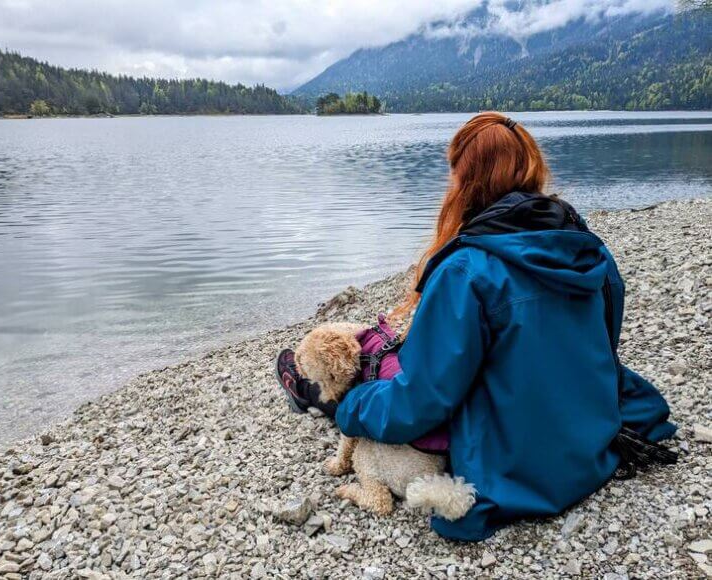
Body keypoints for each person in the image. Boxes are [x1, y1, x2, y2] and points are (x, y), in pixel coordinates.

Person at [275, 112, 676, 541]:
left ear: (466, 184)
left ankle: (322, 397)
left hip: (514, 471)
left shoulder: (466, 270)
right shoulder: (588, 250)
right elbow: (600, 348)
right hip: (591, 445)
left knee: (370, 389)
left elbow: (425, 401)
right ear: (531, 168)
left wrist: (352, 409)